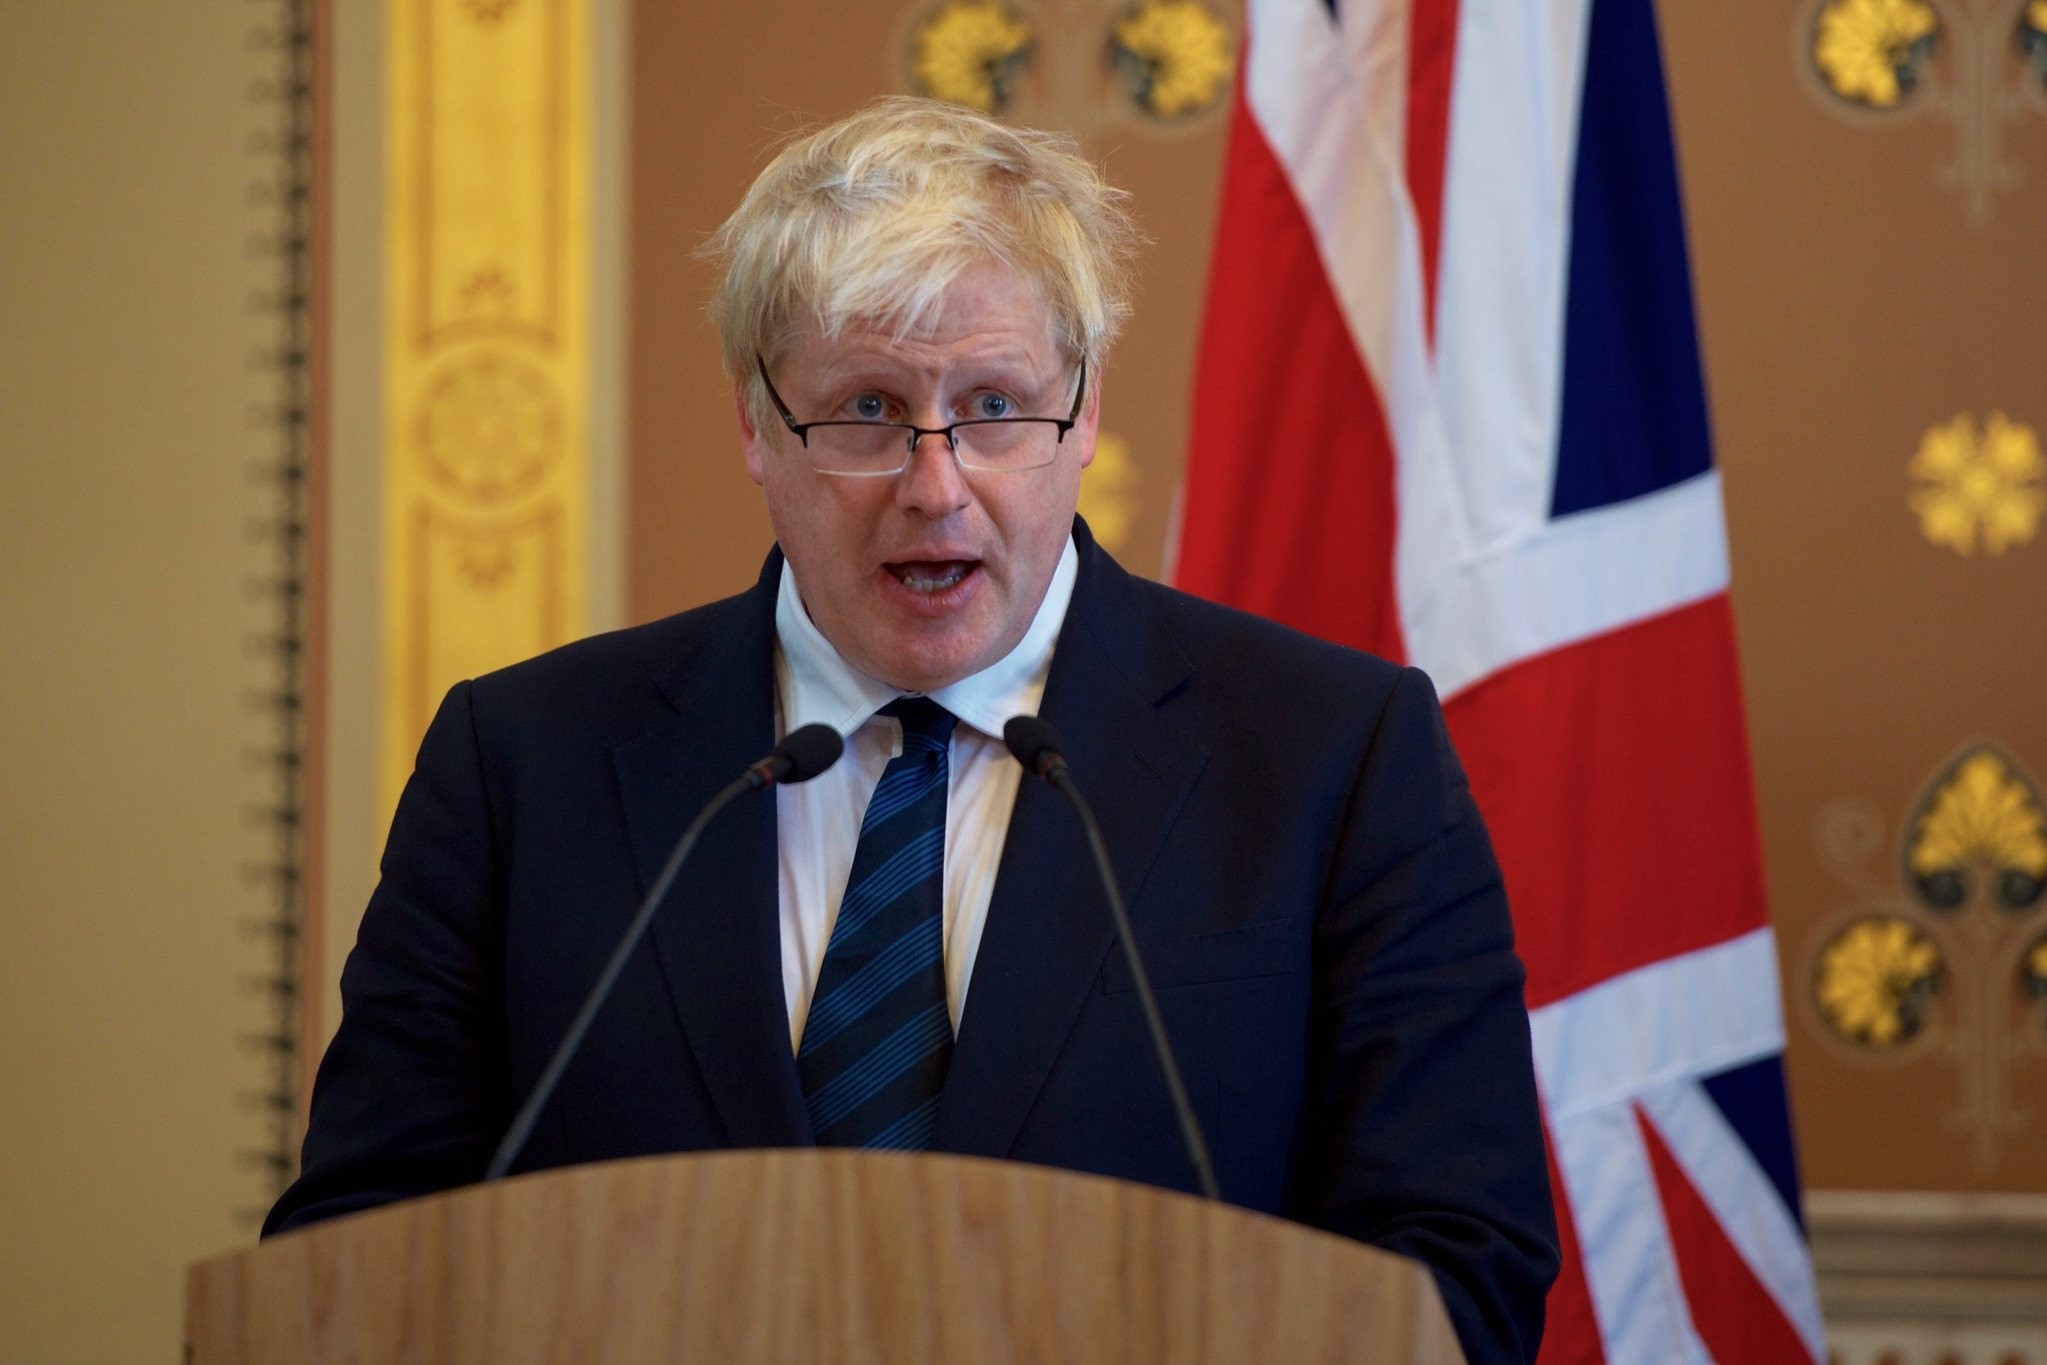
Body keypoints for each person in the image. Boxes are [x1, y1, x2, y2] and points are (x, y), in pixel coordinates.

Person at [266, 97, 1559, 1361]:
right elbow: (355, 1255)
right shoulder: (522, 765)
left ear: (1085, 409)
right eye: (868, 412)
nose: (936, 487)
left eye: (995, 405)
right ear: (757, 424)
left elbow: (1459, 1276)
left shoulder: (1333, 758)